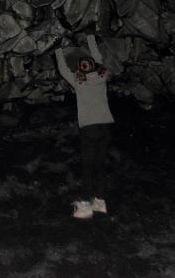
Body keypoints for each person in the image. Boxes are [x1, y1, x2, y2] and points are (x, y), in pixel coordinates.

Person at [55, 34, 114, 220]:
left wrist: (57, 50)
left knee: (87, 168)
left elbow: (63, 70)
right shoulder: (102, 78)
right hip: (105, 127)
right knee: (100, 166)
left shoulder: (79, 83)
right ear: (94, 67)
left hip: (89, 129)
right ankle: (100, 202)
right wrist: (90, 39)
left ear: (81, 69)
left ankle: (86, 205)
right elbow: (99, 59)